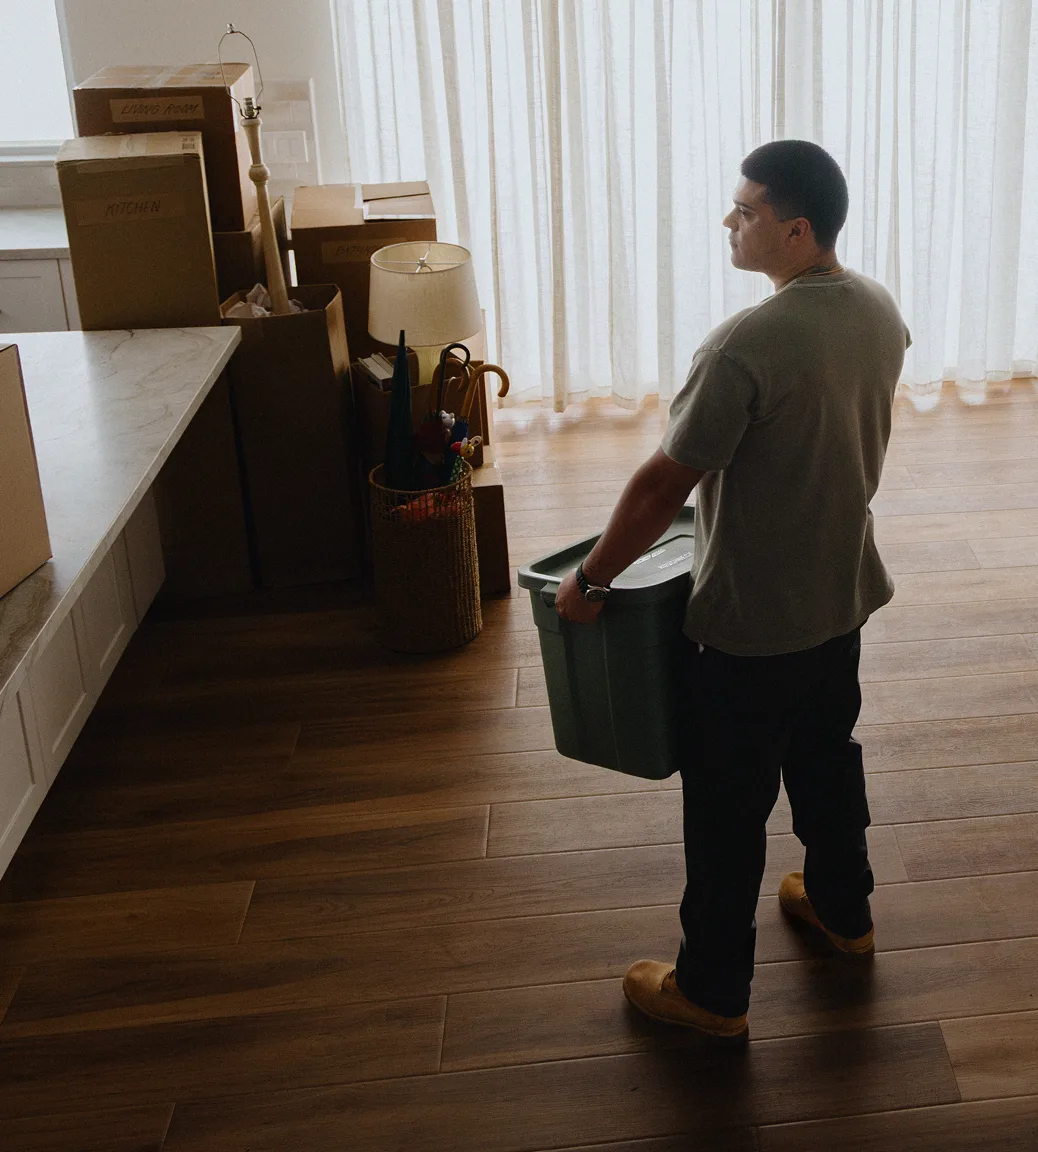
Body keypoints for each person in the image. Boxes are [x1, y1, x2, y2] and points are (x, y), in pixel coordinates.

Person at [554, 139, 911, 1042]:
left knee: (725, 809)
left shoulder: (743, 346)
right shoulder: (878, 309)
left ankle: (712, 993)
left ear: (795, 231)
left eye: (746, 211)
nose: (729, 221)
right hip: (840, 598)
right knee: (827, 757)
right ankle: (845, 912)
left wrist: (591, 578)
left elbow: (660, 486)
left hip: (751, 627)